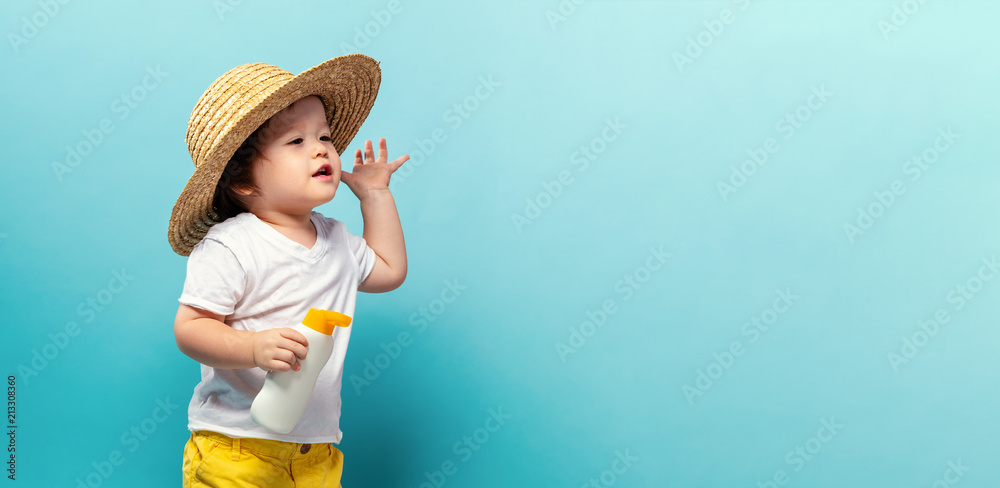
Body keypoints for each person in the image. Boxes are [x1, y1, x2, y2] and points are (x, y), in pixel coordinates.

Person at [167, 54, 408, 487]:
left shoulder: (337, 239)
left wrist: (374, 196)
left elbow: (389, 271)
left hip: (314, 450)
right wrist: (253, 348)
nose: (321, 148)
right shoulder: (232, 245)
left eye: (325, 136)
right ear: (243, 182)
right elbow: (191, 328)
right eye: (295, 142)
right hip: (237, 446)